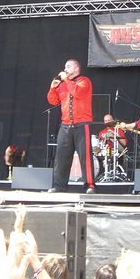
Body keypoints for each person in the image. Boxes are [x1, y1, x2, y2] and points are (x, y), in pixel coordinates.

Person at [46, 59, 96, 194]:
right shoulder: (63, 84)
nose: (65, 69)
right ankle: (59, 186)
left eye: (68, 66)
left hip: (82, 124)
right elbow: (53, 101)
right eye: (65, 67)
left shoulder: (84, 81)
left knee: (85, 157)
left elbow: (77, 93)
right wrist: (53, 87)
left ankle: (90, 185)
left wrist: (66, 80)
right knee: (61, 157)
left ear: (76, 68)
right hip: (65, 125)